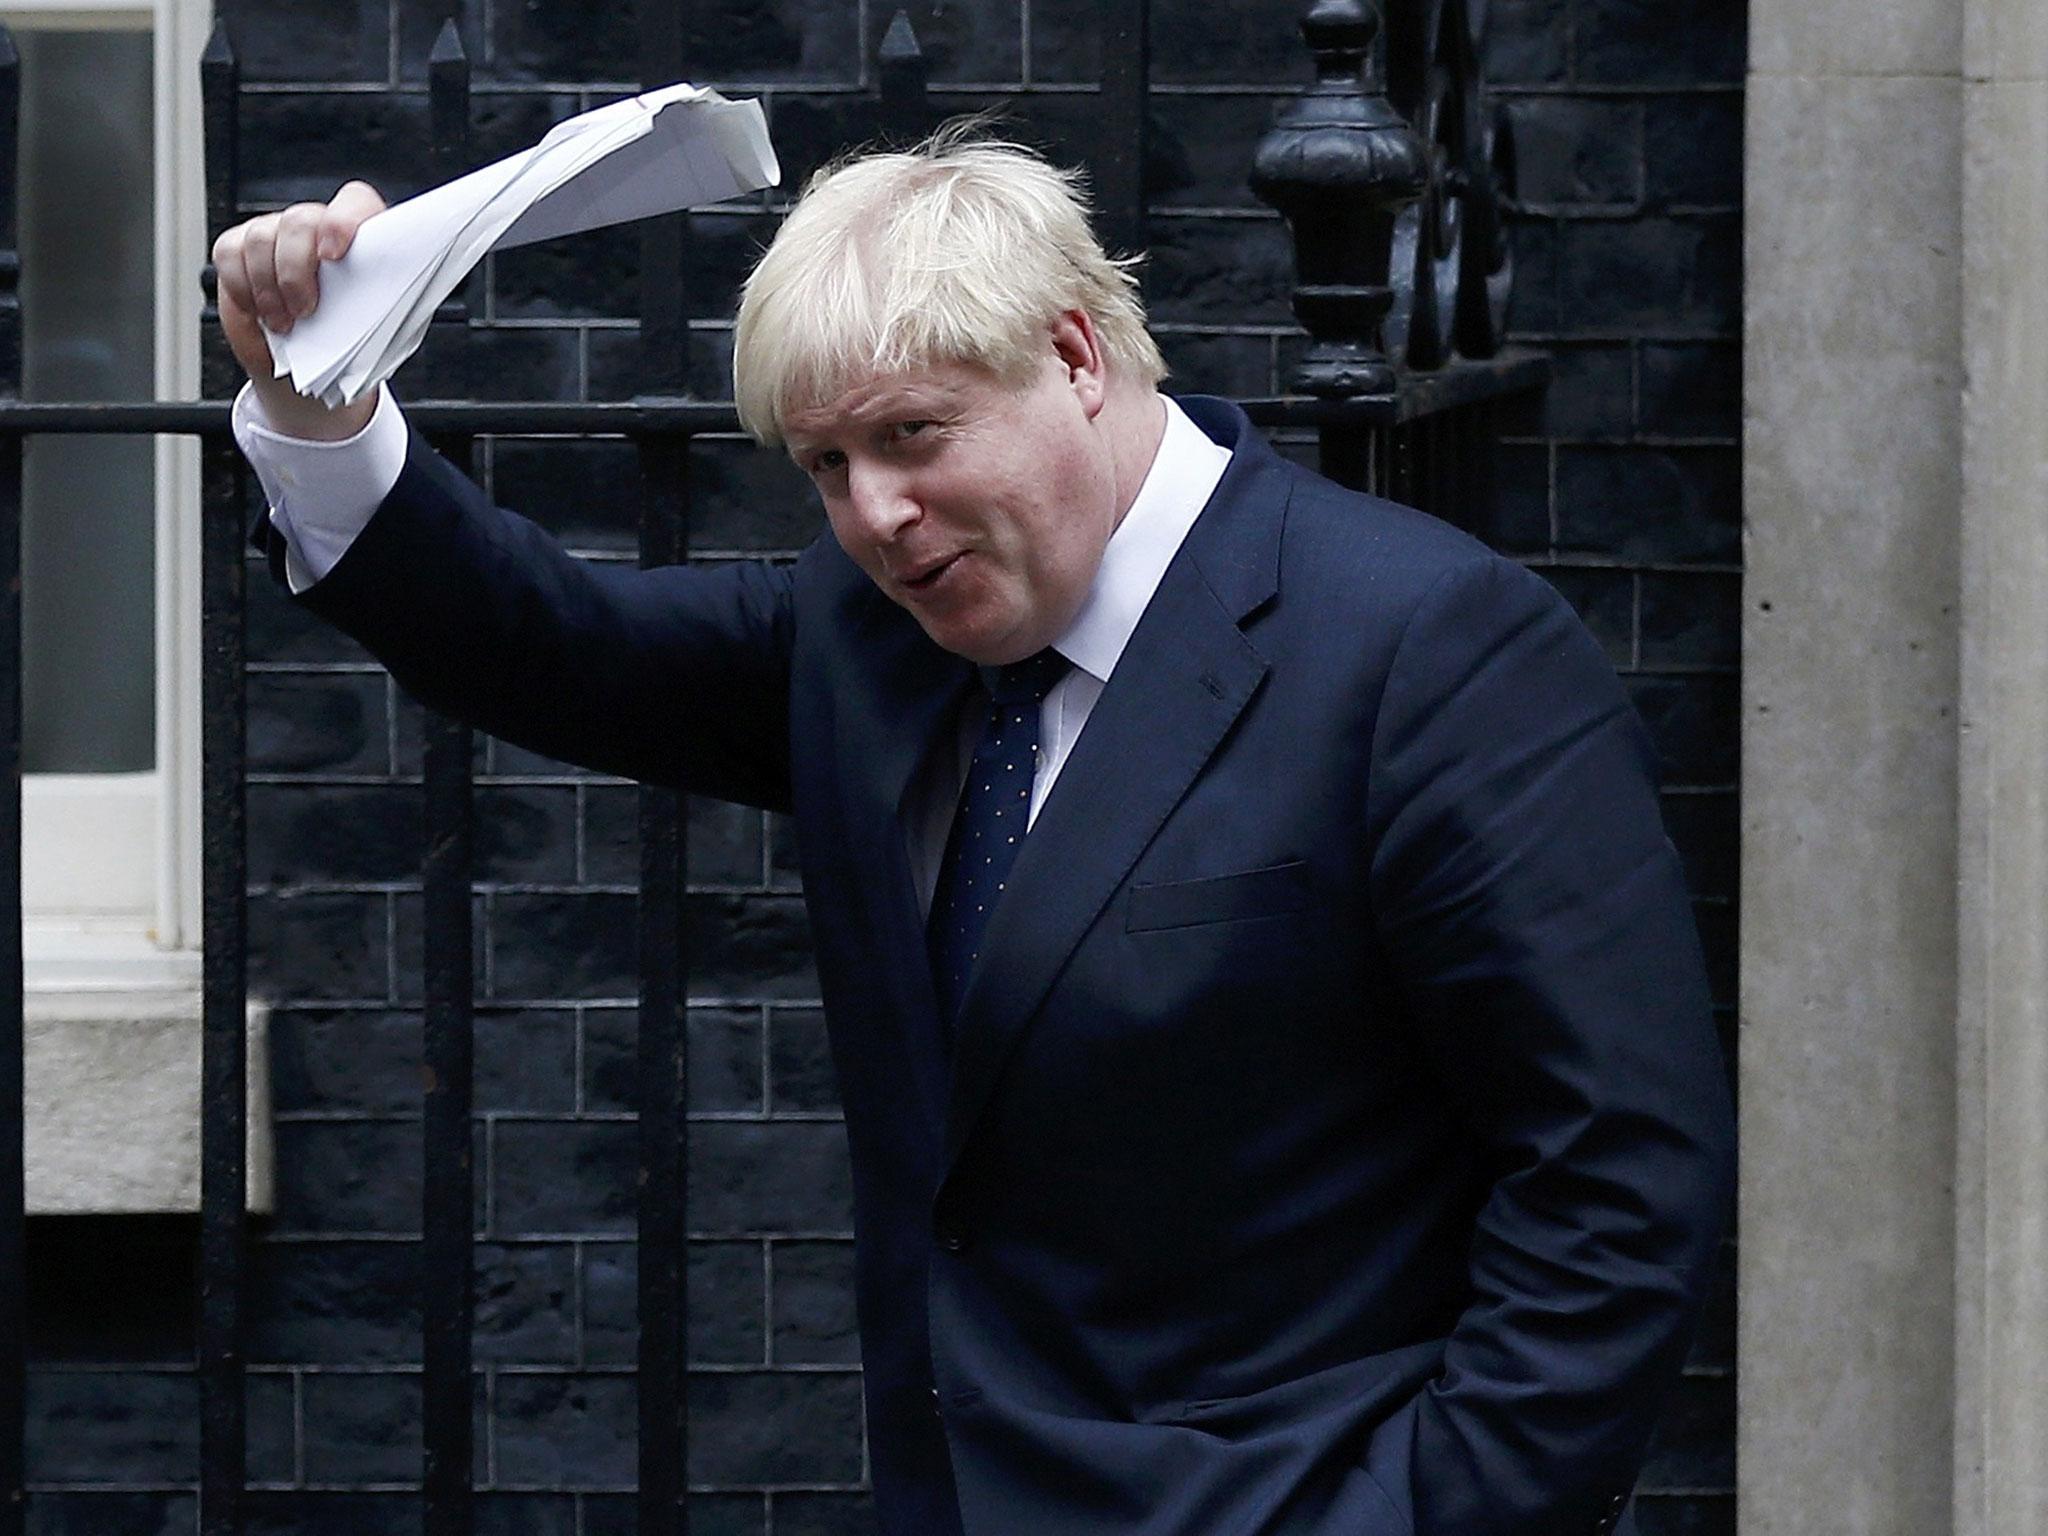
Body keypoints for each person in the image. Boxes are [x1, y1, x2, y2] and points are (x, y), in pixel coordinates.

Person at [214, 126, 1734, 1536]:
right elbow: (554, 642)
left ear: (1075, 356)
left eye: (914, 435)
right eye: (826, 468)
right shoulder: (874, 637)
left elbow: (1618, 1173)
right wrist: (318, 397)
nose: (875, 514)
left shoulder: (1425, 647)